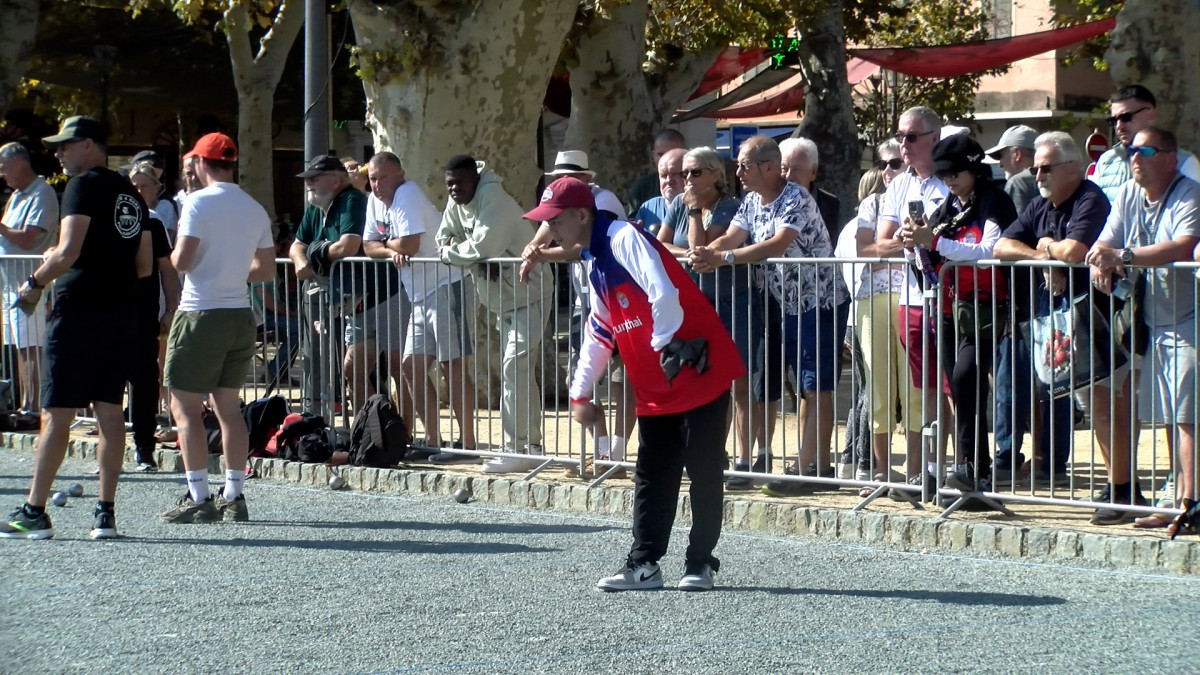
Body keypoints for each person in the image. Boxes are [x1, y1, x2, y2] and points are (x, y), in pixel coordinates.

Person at [529, 177, 743, 591]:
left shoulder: (624, 237)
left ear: (581, 214)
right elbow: (600, 326)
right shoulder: (591, 257)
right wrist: (580, 390)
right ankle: (644, 564)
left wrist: (662, 343)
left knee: (703, 469)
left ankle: (700, 562)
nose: (548, 230)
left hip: (697, 366)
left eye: (553, 220)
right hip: (658, 381)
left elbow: (663, 294)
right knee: (652, 472)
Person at [1, 116, 150, 540]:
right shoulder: (130, 194)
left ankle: (34, 510)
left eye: (65, 145)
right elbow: (141, 266)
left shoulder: (83, 186)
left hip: (80, 310)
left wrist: (33, 284)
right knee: (108, 412)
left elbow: (67, 252)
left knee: (57, 412)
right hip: (120, 312)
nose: (58, 153)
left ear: (88, 145)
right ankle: (105, 514)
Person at [689, 135, 851, 498]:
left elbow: (777, 243)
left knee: (814, 384)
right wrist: (705, 253)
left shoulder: (796, 196)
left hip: (820, 301)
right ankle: (816, 466)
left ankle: (808, 471)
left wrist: (723, 259)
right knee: (805, 383)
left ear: (768, 166)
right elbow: (732, 237)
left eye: (743, 165)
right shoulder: (750, 201)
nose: (738, 172)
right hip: (786, 303)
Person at [994, 131, 1133, 521]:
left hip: (1104, 318)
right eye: (1036, 168)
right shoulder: (1040, 205)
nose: (1038, 175)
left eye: (1046, 168)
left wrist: (1046, 249)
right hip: (1068, 324)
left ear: (1072, 168)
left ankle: (1123, 487)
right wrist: (1046, 252)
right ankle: (1118, 485)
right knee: (1096, 407)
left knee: (1110, 407)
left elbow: (1074, 252)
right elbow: (1001, 247)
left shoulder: (1090, 199)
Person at [157, 132, 275, 524]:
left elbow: (182, 262)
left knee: (184, 407)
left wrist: (179, 251)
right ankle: (234, 495)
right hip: (239, 314)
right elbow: (266, 269)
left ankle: (198, 495)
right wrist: (232, 271)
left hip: (200, 312)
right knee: (229, 407)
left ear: (201, 163)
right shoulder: (255, 207)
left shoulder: (196, 203)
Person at [1087, 126, 1199, 529]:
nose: (1134, 157)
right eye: (1131, 150)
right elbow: (1104, 241)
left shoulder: (1188, 192)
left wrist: (1124, 255)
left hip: (1189, 318)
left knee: (1187, 417)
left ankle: (1190, 505)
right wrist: (1103, 258)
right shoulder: (1131, 194)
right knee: (1170, 416)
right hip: (1155, 319)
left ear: (1170, 155)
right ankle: (1179, 504)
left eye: (1145, 150)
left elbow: (1183, 245)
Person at [901, 135, 1016, 494]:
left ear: (973, 168)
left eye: (955, 173)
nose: (949, 181)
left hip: (987, 305)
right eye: (944, 175)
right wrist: (913, 243)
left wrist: (931, 241)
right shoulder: (950, 204)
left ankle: (975, 466)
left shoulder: (994, 200)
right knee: (958, 386)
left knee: (968, 377)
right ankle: (969, 466)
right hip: (949, 308)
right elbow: (930, 249)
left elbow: (987, 249)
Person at [521, 150, 633, 474]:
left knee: (620, 380)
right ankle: (601, 454)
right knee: (577, 377)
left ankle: (616, 454)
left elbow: (574, 247)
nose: (562, 181)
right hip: (586, 301)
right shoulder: (559, 202)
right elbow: (543, 237)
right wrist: (531, 253)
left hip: (617, 301)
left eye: (569, 176)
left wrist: (539, 256)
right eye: (558, 176)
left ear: (587, 177)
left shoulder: (604, 200)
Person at [437, 155, 551, 471]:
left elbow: (480, 248)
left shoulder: (495, 200)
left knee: (514, 368)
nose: (454, 189)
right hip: (501, 301)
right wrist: (472, 257)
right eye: (449, 183)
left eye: (460, 182)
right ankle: (530, 446)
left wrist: (468, 255)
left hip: (531, 293)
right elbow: (442, 239)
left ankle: (515, 449)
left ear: (475, 178)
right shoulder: (455, 202)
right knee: (519, 370)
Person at [655, 147, 758, 489]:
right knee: (700, 379)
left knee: (739, 379)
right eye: (684, 173)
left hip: (733, 302)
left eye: (695, 172)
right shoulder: (677, 204)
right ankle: (710, 451)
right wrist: (690, 255)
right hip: (696, 304)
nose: (686, 180)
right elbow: (662, 246)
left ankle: (744, 458)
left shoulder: (731, 207)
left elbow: (708, 246)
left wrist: (696, 213)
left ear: (716, 174)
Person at [362, 151, 476, 454]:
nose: (376, 184)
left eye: (383, 177)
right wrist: (390, 249)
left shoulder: (407, 194)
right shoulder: (375, 201)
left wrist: (384, 245)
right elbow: (367, 246)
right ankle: (433, 442)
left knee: (450, 365)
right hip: (418, 293)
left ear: (400, 175)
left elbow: (410, 245)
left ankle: (467, 443)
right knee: (411, 367)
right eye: (373, 178)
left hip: (446, 283)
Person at [873, 106, 950, 500]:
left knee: (952, 388)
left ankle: (954, 466)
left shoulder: (951, 177)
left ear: (934, 137)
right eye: (900, 136)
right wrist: (906, 240)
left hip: (950, 296)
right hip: (912, 298)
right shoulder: (899, 185)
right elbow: (877, 244)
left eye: (911, 137)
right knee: (925, 391)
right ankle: (926, 474)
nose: (903, 144)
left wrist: (929, 238)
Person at [853, 138, 912, 493]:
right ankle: (881, 471)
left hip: (913, 296)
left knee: (914, 387)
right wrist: (907, 242)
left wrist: (885, 247)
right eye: (884, 164)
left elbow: (927, 242)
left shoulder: (923, 197)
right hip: (871, 297)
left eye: (896, 163)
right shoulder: (870, 203)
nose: (889, 171)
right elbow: (863, 250)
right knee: (878, 385)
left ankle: (920, 468)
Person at [126, 163, 181, 471]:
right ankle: (112, 449)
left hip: (146, 312)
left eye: (142, 185)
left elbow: (167, 269)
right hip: (110, 314)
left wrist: (171, 309)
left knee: (145, 380)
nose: (136, 191)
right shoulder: (107, 219)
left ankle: (144, 448)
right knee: (108, 382)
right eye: (132, 184)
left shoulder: (154, 221)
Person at [0, 142, 58, 415]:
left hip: (31, 283)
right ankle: (26, 404)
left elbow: (28, 238)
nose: (1, 172)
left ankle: (34, 407)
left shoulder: (42, 193)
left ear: (20, 163)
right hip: (11, 284)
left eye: (3, 165)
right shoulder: (17, 195)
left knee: (32, 346)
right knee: (20, 347)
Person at [1091, 85, 1200, 202]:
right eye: (1113, 121)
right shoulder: (1105, 161)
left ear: (1151, 115)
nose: (1119, 126)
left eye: (1126, 117)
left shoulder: (1184, 162)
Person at [779, 136, 840, 242]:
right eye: (784, 168)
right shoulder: (765, 201)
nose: (788, 176)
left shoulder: (829, 204)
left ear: (813, 172)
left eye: (796, 170)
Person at [625, 129, 687, 216]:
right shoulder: (642, 188)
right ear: (653, 155)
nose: (667, 158)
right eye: (661, 154)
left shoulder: (699, 188)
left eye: (672, 153)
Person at [983, 124, 1039, 215]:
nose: (1000, 164)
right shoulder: (1056, 178)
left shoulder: (1018, 183)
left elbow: (1016, 227)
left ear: (1017, 154)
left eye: (1001, 156)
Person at [634, 148, 685, 234]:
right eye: (664, 176)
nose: (669, 181)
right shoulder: (648, 208)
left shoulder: (699, 209)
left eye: (676, 174)